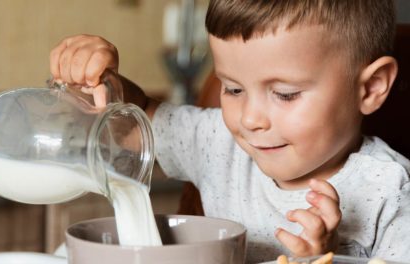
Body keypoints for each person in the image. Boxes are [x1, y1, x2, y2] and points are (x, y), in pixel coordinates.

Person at [49, 0, 410, 262]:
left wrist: (327, 259)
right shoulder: (218, 144)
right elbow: (135, 120)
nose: (250, 118)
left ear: (371, 88)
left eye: (285, 94)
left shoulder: (390, 189)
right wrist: (100, 80)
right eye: (233, 89)